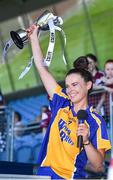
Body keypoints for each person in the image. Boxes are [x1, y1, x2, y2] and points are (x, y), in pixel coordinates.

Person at [27, 24, 111, 179]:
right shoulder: (61, 102)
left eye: (75, 85)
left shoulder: (96, 122)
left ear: (88, 85)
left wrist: (86, 141)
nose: (70, 89)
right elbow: (41, 67)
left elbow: (99, 165)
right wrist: (33, 38)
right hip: (44, 175)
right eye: (67, 86)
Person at [96, 59, 113, 124]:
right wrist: (104, 87)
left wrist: (105, 81)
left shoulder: (104, 80)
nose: (110, 72)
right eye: (108, 69)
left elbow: (110, 82)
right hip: (107, 111)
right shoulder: (103, 79)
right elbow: (94, 85)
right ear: (104, 70)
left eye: (112, 69)